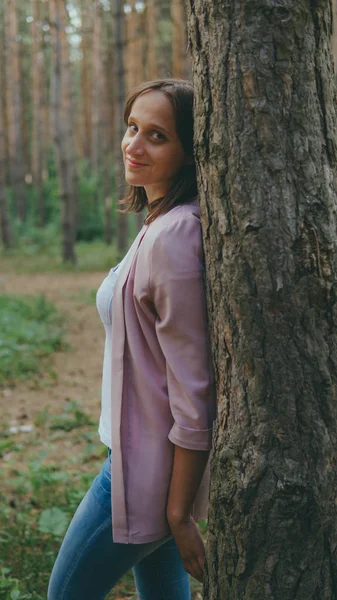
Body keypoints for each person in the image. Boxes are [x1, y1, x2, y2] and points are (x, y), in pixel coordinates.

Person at [48, 79, 216, 600]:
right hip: (152, 468)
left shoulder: (175, 237)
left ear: (190, 151)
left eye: (157, 136)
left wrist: (177, 511)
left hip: (144, 474)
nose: (133, 145)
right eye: (132, 127)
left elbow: (195, 390)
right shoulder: (161, 220)